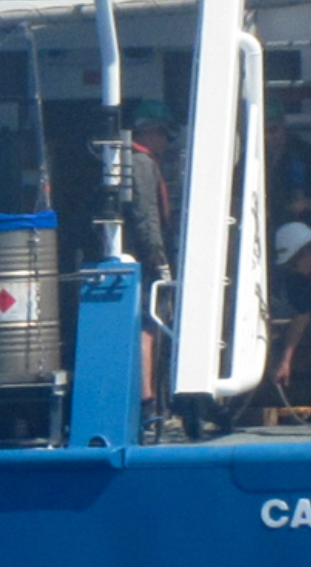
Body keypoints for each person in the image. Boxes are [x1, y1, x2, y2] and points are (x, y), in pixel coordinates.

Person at [130, 102, 175, 413]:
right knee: (149, 323)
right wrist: (159, 259)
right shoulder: (143, 164)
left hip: (134, 258)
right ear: (150, 132)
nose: (166, 143)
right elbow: (147, 216)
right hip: (144, 260)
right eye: (164, 135)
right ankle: (147, 398)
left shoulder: (126, 160)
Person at [270, 222, 311, 399]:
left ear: (307, 251)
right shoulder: (298, 281)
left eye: (294, 263)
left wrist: (285, 360)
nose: (294, 269)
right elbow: (303, 316)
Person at [268, 100, 311, 229]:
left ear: (283, 125)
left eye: (273, 129)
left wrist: (304, 204)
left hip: (300, 229)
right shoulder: (250, 156)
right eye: (264, 131)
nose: (269, 136)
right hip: (262, 229)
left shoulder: (307, 154)